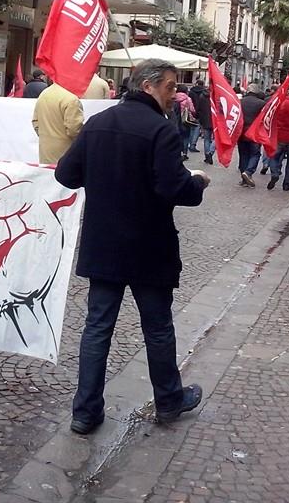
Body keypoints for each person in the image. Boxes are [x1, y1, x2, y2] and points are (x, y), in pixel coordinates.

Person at [55, 59, 209, 434]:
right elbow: (173, 187)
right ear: (148, 87)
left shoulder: (98, 123)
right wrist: (198, 183)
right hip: (148, 245)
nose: (175, 95)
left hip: (104, 243)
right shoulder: (161, 130)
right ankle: (169, 400)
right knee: (156, 327)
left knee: (97, 328)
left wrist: (104, 175)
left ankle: (85, 411)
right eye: (171, 87)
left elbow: (66, 173)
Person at [32, 81, 85, 164]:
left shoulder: (44, 94)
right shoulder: (71, 99)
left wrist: (45, 136)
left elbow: (35, 121)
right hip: (66, 153)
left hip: (45, 151)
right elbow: (74, 130)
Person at [237, 83, 266, 187]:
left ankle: (244, 177)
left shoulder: (240, 102)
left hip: (241, 133)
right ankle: (248, 172)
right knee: (255, 154)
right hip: (255, 133)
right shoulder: (261, 103)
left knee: (243, 154)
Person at [189, 78, 215, 165]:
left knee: (206, 139)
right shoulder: (217, 96)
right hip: (215, 121)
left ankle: (207, 155)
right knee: (216, 139)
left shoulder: (202, 96)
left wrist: (198, 117)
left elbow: (199, 108)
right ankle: (210, 152)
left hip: (205, 120)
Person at [174, 84, 198, 161]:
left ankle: (177, 152)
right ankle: (184, 153)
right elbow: (192, 109)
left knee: (177, 135)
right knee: (186, 137)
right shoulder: (188, 99)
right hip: (185, 120)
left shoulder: (173, 97)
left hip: (175, 119)